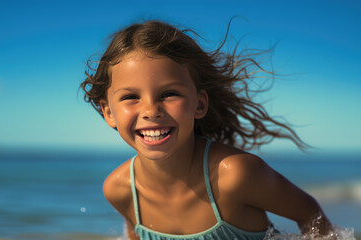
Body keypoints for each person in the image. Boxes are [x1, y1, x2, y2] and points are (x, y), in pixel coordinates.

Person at [80, 20, 333, 240]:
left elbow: (310, 215)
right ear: (109, 112)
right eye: (131, 97)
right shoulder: (120, 189)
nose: (151, 110)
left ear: (199, 103)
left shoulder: (235, 175)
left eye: (169, 94)